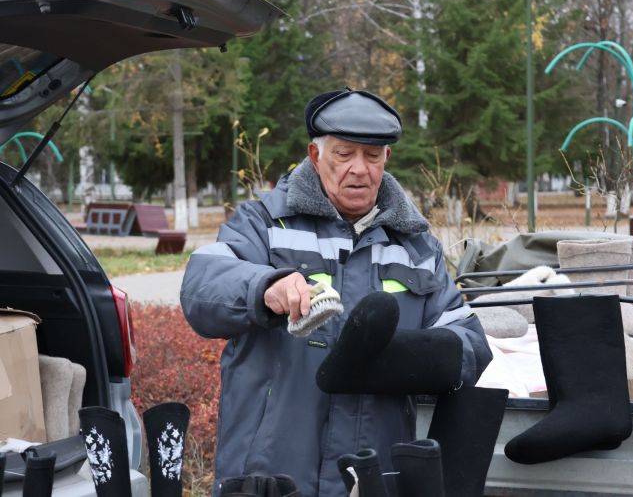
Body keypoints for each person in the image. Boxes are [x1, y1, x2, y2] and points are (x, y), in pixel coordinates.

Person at [180, 88, 492, 497]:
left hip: (371, 477)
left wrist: (397, 358)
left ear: (387, 160)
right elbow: (202, 288)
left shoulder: (417, 248)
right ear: (315, 155)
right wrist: (266, 288)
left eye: (372, 156)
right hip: (269, 477)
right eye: (344, 155)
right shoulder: (264, 224)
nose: (359, 170)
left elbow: (469, 343)